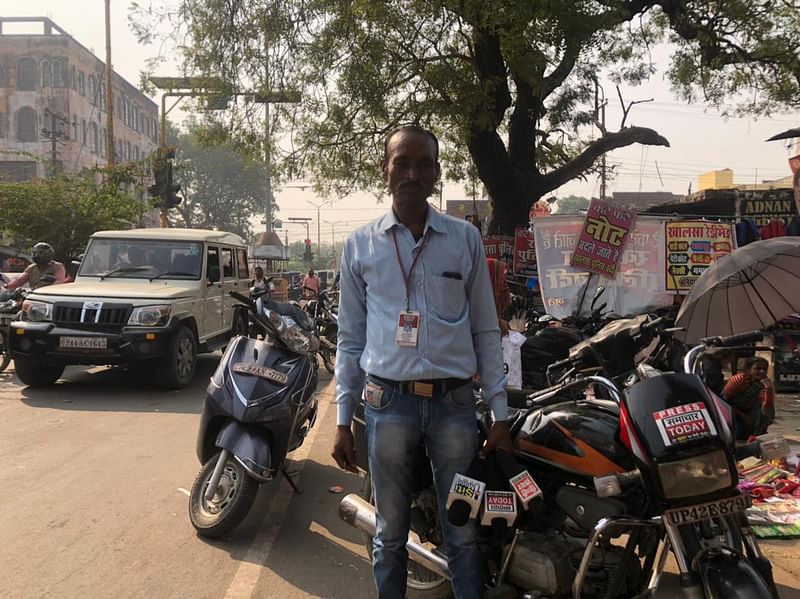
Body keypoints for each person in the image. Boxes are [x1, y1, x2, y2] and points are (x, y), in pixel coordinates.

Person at [332, 124, 510, 599]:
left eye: (423, 164)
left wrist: (499, 410)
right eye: (401, 162)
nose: (412, 172)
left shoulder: (464, 238)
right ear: (385, 170)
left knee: (464, 530)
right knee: (389, 533)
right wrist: (343, 420)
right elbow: (349, 340)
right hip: (388, 406)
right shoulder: (360, 245)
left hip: (454, 406)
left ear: (436, 173)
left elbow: (485, 330)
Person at [722, 356, 775, 440]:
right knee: (739, 434)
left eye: (764, 369)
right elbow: (723, 402)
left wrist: (769, 390)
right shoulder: (739, 380)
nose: (762, 371)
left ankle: (758, 431)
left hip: (750, 411)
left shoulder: (764, 383)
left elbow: (767, 410)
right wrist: (744, 417)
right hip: (732, 411)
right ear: (748, 369)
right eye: (757, 368)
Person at [486, 258, 510, 336]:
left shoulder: (499, 300)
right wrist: (497, 322)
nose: (505, 285)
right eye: (501, 278)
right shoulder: (478, 299)